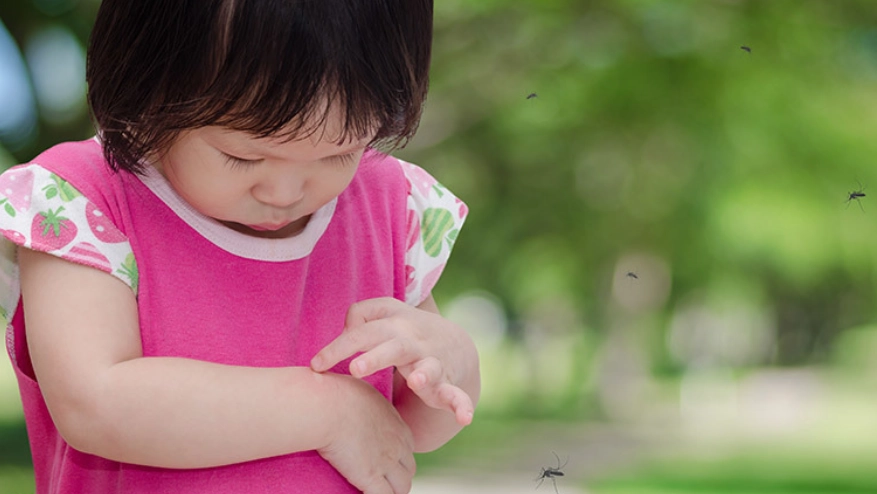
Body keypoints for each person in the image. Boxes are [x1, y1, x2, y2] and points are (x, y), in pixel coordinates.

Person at [0, 1, 480, 493]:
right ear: (150, 85)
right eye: (243, 156)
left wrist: (451, 357)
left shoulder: (386, 206)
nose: (285, 192)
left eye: (340, 152)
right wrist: (326, 410)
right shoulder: (84, 201)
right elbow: (94, 402)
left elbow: (415, 428)